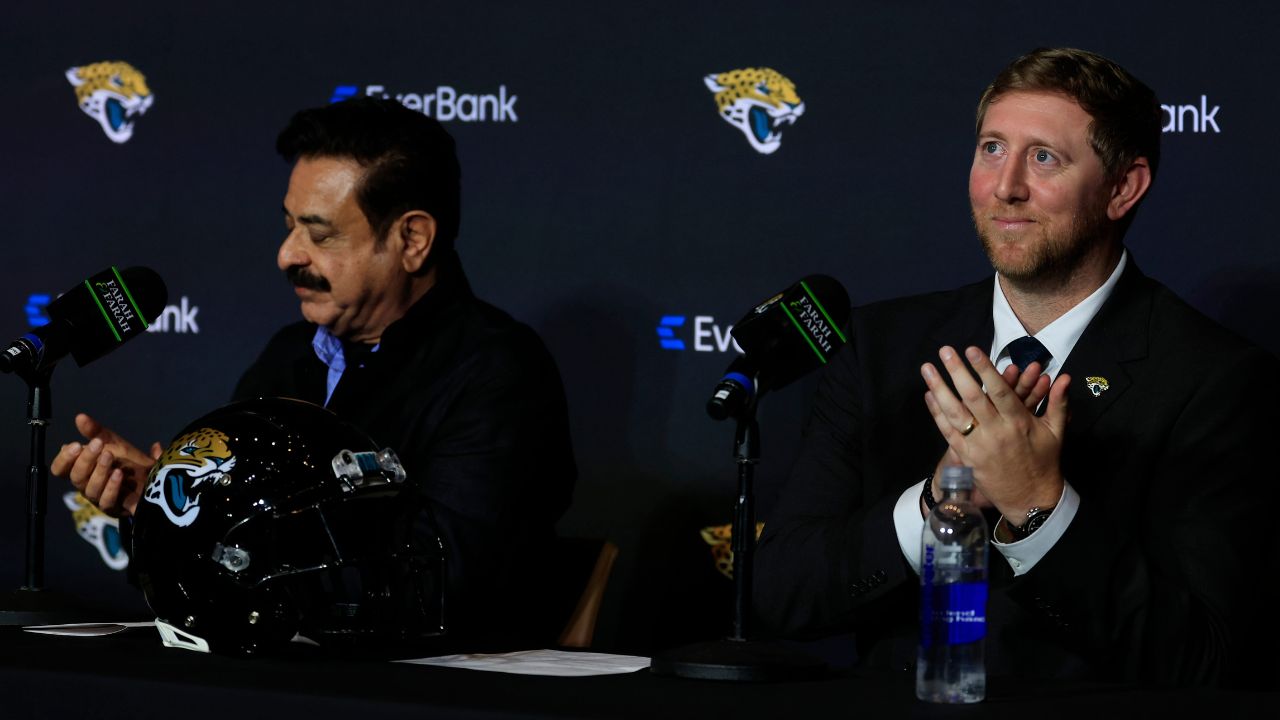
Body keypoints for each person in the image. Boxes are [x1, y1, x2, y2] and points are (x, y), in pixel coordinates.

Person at [753, 47, 1278, 687]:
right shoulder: (880, 348)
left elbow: (1203, 659)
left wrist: (1036, 505)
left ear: (1123, 188)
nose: (1006, 186)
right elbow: (777, 595)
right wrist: (933, 509)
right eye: (992, 149)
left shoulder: (1214, 380)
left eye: (1044, 158)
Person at [50, 97, 576, 649]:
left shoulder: (499, 374)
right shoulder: (289, 356)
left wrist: (225, 540)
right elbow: (219, 576)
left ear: (412, 240)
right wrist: (161, 507)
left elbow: (438, 580)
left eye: (319, 234)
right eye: (289, 225)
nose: (286, 254)